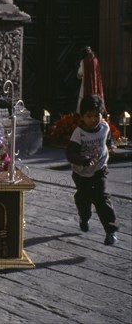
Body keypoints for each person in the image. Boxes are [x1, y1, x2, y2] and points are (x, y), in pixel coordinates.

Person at [66, 94, 118, 245]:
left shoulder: (105, 127)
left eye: (97, 116)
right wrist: (83, 160)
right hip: (81, 172)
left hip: (100, 168)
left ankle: (111, 230)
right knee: (84, 198)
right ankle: (84, 217)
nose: (93, 120)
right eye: (89, 116)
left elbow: (107, 138)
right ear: (83, 116)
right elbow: (70, 153)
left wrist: (110, 145)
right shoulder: (79, 133)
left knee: (102, 197)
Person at [76, 46, 106, 114]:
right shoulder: (95, 60)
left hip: (85, 84)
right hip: (95, 84)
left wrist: (78, 76)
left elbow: (79, 73)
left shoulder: (83, 61)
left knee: (84, 98)